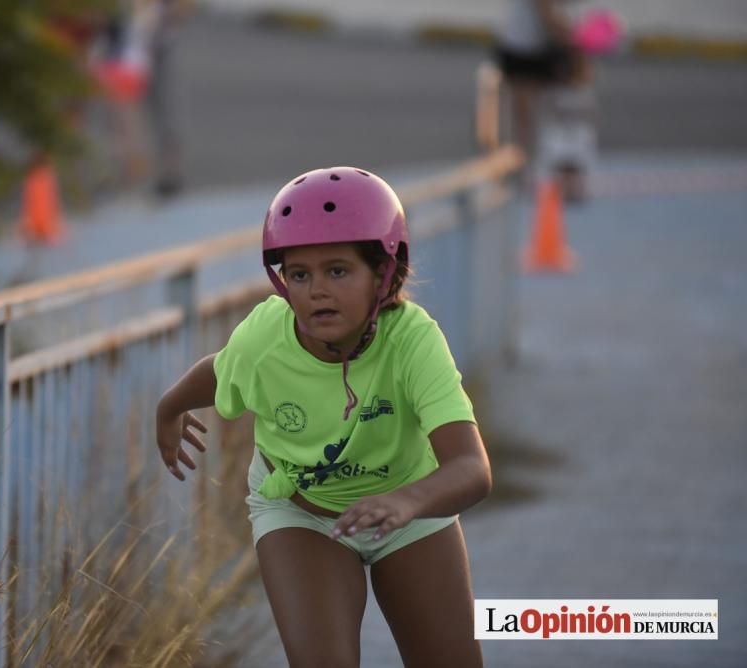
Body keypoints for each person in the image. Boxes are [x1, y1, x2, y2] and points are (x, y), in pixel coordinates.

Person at [155, 167, 492, 666]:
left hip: (408, 506)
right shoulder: (265, 337)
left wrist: (406, 503)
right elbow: (221, 370)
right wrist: (170, 407)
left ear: (384, 274)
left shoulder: (414, 340)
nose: (315, 290)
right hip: (302, 513)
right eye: (299, 274)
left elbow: (472, 469)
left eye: (338, 271)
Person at [494, 0, 578, 159]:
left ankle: (527, 155)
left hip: (531, 46)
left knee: (531, 111)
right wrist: (578, 38)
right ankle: (525, 158)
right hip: (523, 50)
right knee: (526, 114)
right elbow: (548, 17)